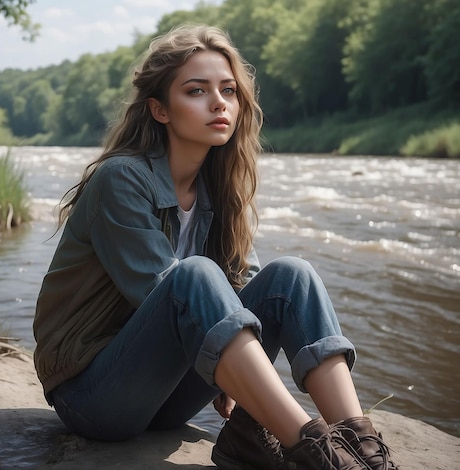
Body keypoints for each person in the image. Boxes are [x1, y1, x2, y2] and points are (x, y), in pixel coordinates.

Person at [33, 24, 398, 470]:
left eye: (228, 90)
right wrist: (230, 353)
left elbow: (246, 288)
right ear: (160, 109)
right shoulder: (122, 179)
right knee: (195, 274)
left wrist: (239, 376)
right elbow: (169, 296)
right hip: (93, 393)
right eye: (196, 90)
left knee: (290, 277)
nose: (219, 102)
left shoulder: (220, 187)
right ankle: (315, 453)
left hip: (168, 393)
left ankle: (359, 447)